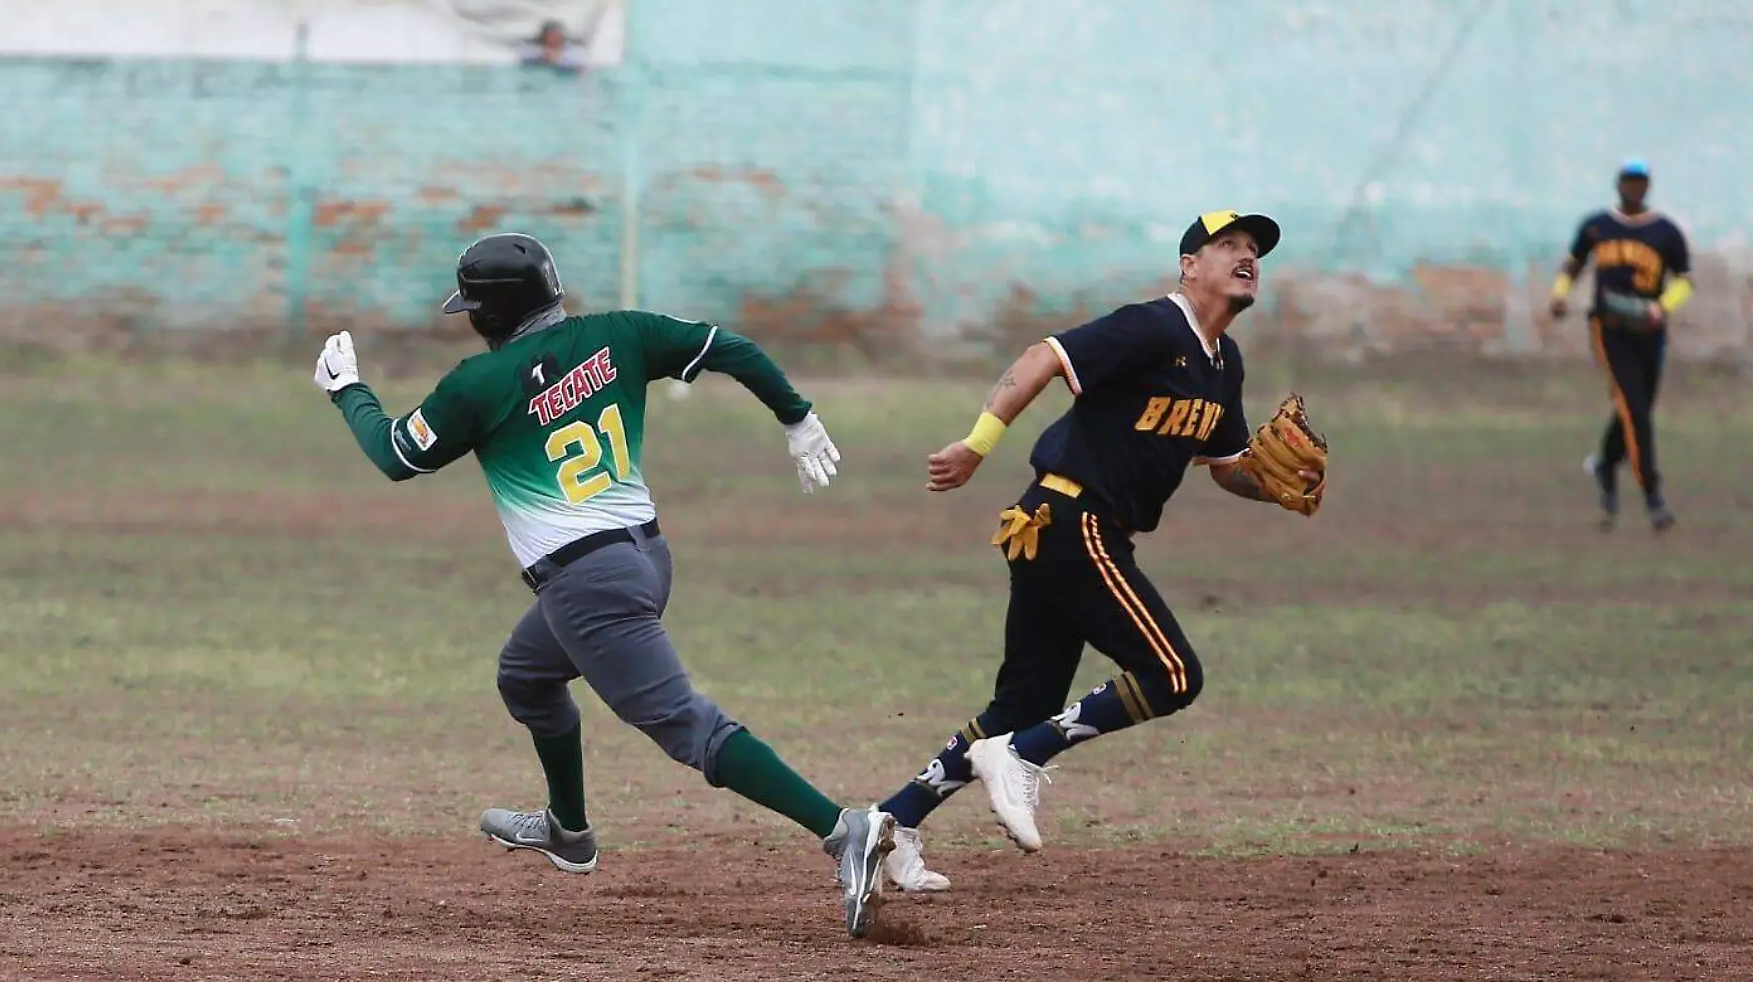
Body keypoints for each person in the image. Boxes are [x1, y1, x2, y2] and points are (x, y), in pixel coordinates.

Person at [312, 232, 896, 938]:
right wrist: (796, 416)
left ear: (487, 315)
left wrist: (348, 391)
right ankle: (569, 831)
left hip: (588, 585)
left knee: (690, 728)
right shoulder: (623, 335)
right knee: (526, 675)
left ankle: (843, 829)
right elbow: (732, 349)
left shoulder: (478, 385)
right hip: (645, 558)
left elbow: (396, 454)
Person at [872, 210, 1323, 890]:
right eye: (1227, 245)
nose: (1246, 256)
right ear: (1188, 265)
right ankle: (1021, 757)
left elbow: (1227, 465)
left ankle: (887, 825)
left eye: (1254, 249)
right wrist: (976, 446)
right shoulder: (1153, 326)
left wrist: (1281, 487)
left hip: (1067, 527)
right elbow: (1042, 359)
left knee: (1019, 705)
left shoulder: (1223, 363)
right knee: (1172, 675)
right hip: (1070, 517)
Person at [1547, 160, 1693, 532]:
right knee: (1635, 410)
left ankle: (1606, 464)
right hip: (1609, 329)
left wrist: (1663, 307)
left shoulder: (1665, 232)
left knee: (1637, 407)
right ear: (1617, 185)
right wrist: (1560, 295)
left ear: (1648, 188)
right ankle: (1653, 498)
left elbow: (1685, 281)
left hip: (1648, 331)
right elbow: (1574, 263)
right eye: (1628, 182)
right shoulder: (1598, 226)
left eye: (1640, 182)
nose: (1633, 189)